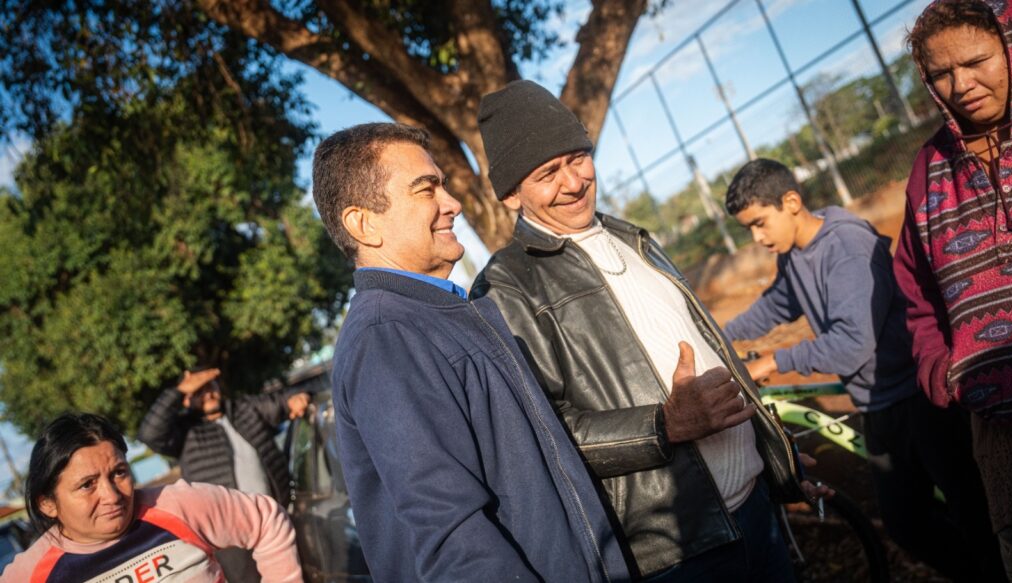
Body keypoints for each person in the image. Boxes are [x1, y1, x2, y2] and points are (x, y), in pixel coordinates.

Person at [470, 80, 828, 582]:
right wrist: (665, 424)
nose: (573, 182)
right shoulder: (506, 288)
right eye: (548, 173)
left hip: (756, 510)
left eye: (577, 158)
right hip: (677, 551)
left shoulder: (632, 237)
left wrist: (775, 458)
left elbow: (712, 353)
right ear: (511, 194)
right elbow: (541, 437)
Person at [310, 122, 630, 582]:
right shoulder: (387, 337)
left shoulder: (436, 315)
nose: (452, 203)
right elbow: (453, 539)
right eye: (426, 190)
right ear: (364, 223)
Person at [722, 158, 1003, 582]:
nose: (757, 237)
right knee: (906, 524)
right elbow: (776, 305)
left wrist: (776, 360)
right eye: (749, 229)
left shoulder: (846, 247)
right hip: (878, 403)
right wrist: (715, 334)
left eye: (760, 223)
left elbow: (854, 344)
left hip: (920, 397)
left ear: (791, 202)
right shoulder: (795, 256)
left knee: (976, 515)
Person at [901, 1, 1012, 579]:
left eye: (976, 62)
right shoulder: (929, 169)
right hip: (1001, 439)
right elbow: (917, 292)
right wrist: (939, 368)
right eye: (941, 74)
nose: (962, 85)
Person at [1, 412, 301, 582]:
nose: (112, 495)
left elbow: (265, 520)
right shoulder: (32, 574)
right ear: (47, 503)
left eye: (118, 473)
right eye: (87, 485)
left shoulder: (176, 507)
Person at [137, 367, 309, 581]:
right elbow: (150, 433)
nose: (207, 394)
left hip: (276, 521)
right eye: (198, 391)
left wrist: (295, 399)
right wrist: (179, 390)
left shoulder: (243, 409)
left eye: (211, 387)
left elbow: (279, 402)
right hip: (230, 540)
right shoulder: (184, 432)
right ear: (186, 400)